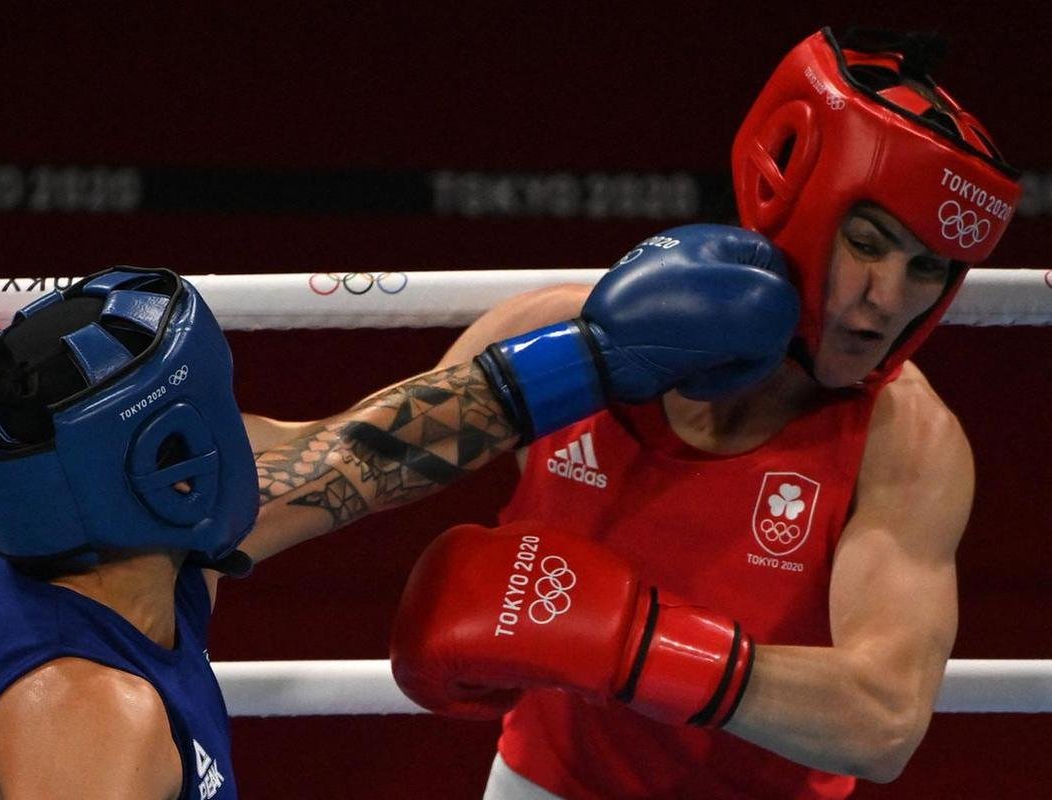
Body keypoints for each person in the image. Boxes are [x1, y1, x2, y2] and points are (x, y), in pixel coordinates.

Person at [0, 228, 796, 798]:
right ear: (164, 475)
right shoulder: (93, 721)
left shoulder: (117, 561)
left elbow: (359, 456)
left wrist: (595, 357)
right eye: (216, 415)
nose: (249, 433)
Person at [387, 27, 1023, 799]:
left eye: (927, 268)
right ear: (792, 202)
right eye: (866, 243)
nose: (888, 300)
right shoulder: (555, 340)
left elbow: (883, 724)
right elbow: (373, 460)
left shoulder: (905, 440)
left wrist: (638, 648)